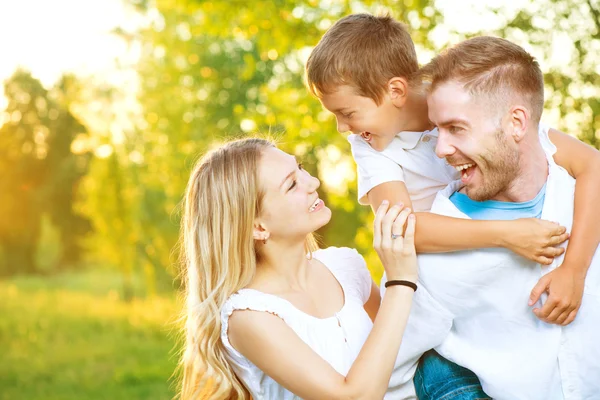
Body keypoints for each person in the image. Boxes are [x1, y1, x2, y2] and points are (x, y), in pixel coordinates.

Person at [306, 14, 600, 398]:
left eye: (347, 113)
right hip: (439, 305)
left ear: (396, 91)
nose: (342, 128)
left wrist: (574, 270)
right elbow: (402, 228)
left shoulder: (458, 96)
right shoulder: (370, 144)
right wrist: (505, 234)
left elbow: (588, 161)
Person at [387, 36, 600, 399]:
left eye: (455, 128)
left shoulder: (582, 196)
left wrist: (574, 269)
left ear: (516, 122)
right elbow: (393, 372)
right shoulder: (433, 263)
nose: (440, 149)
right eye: (437, 129)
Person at [177, 137, 419, 399]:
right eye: (292, 184)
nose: (313, 183)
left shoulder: (345, 266)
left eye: (300, 168)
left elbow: (401, 349)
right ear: (258, 227)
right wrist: (400, 283)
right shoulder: (249, 316)